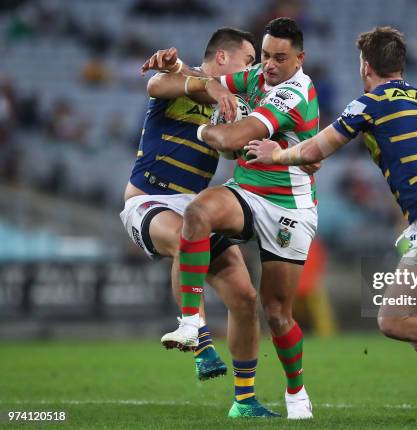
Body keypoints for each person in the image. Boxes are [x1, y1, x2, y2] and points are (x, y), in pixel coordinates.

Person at [245, 26, 417, 426]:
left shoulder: (368, 103)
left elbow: (314, 149)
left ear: (365, 66)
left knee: (392, 320)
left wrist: (276, 154)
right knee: (415, 320)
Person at [161, 17, 318, 419]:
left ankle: (296, 391)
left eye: (279, 58)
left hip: (288, 207)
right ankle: (192, 320)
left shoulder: (297, 92)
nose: (268, 65)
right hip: (248, 192)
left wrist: (206, 132)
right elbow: (203, 80)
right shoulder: (254, 77)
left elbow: (231, 139)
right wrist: (175, 67)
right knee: (198, 212)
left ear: (299, 58)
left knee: (278, 312)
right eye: (265, 55)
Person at [121, 28, 278, 418]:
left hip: (196, 207)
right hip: (149, 200)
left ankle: (245, 401)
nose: (251, 69)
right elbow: (157, 83)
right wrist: (197, 78)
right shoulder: (182, 79)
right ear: (222, 58)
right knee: (183, 239)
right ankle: (201, 341)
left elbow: (232, 148)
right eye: (247, 61)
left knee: (245, 297)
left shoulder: (232, 101)